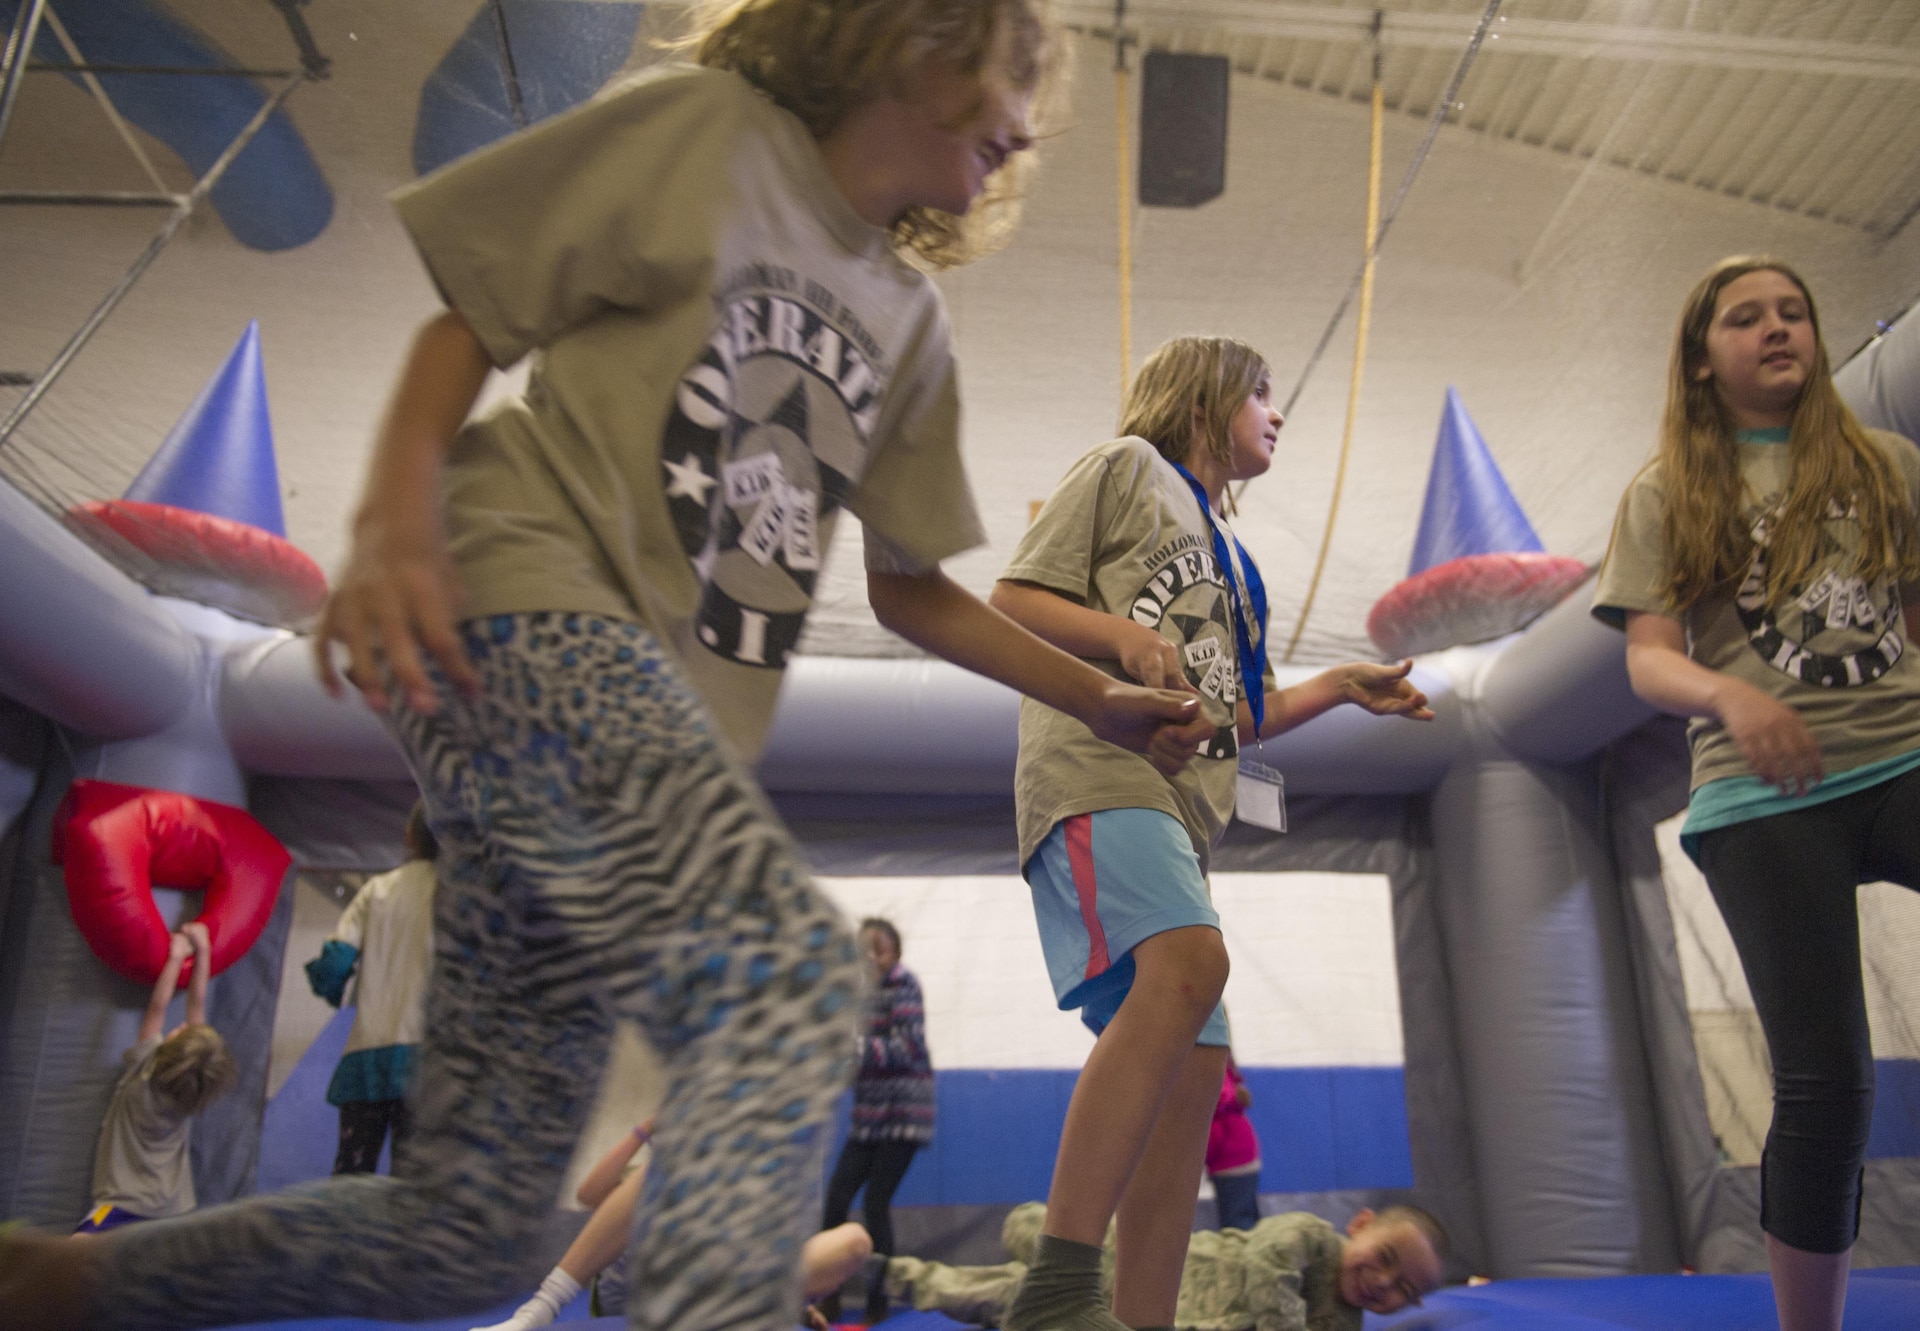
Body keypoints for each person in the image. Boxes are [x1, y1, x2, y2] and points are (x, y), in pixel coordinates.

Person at [0, 0, 1208, 1325]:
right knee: (790, 975)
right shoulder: (707, 138)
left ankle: (71, 1280)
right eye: (1009, 76)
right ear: (901, 42)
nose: (1026, 123)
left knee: (461, 1233)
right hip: (524, 610)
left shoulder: (908, 324)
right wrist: (394, 521)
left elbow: (913, 588)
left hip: (613, 744)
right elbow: (474, 307)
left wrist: (1099, 695)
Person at [990, 335, 1434, 1331]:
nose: (1278, 412)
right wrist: (1120, 638)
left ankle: (1141, 1315)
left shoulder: (1236, 564)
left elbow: (1243, 711)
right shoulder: (1123, 469)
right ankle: (1057, 1283)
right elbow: (1012, 599)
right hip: (1099, 774)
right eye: (1261, 394)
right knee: (1192, 964)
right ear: (1204, 398)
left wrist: (1339, 685)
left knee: (1192, 1078)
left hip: (1184, 822)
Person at [1593, 256, 1920, 1331]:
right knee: (1827, 1084)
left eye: (1791, 312)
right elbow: (1647, 659)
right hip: (1761, 797)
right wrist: (1728, 692)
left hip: (1909, 754)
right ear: (1700, 355)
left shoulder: (1886, 465)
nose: (1774, 328)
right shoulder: (1665, 490)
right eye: (1742, 317)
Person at [474, 1119, 874, 1330]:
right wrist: (643, 1131)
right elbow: (589, 1194)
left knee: (854, 1240)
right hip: (643, 1296)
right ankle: (538, 1311)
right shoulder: (656, 1173)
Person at [884, 1200, 1446, 1331]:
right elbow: (1265, 1262)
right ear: (1361, 1224)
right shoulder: (1311, 1239)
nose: (1382, 1283)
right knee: (1034, 1231)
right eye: (1386, 1259)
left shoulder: (1342, 1326)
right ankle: (1030, 1222)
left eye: (1404, 1291)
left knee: (994, 1299)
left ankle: (888, 1274)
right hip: (1134, 1264)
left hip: (1130, 1315)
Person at [74, 923, 237, 1235]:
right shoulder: (191, 1094)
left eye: (179, 1033)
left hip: (121, 1204)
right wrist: (203, 950)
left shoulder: (142, 1076)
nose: (180, 1027)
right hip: (170, 1210)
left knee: (70, 1255)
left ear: (167, 1050)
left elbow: (158, 1008)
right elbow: (197, 1008)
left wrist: (176, 956)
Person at [304, 803, 439, 1177]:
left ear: (409, 838)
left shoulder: (376, 890)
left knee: (350, 1177)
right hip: (431, 1067)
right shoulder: (463, 898)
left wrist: (333, 991)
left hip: (367, 1060)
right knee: (413, 1190)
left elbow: (332, 967)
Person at [819, 917, 936, 1324]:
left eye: (879, 950)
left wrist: (854, 1050)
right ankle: (826, 1294)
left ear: (895, 953)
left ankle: (878, 1302)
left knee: (874, 1203)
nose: (870, 958)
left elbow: (906, 1046)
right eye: (864, 950)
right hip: (869, 1117)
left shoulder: (904, 985)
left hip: (903, 1115)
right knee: (835, 1199)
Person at [1206, 1053, 1259, 1233]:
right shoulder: (1225, 1073)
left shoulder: (1216, 1077)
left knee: (1237, 1227)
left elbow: (1221, 1097)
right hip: (1238, 1159)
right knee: (1244, 1222)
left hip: (1232, 1162)